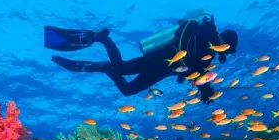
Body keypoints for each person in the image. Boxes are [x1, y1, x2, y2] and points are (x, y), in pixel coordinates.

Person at [44, 15, 238, 102]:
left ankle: (106, 68)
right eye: (227, 50)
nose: (225, 54)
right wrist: (205, 89)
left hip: (165, 70)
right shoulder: (206, 35)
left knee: (128, 90)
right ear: (226, 42)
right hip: (159, 58)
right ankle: (103, 38)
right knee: (121, 68)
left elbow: (197, 72)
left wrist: (205, 88)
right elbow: (198, 68)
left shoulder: (209, 51)